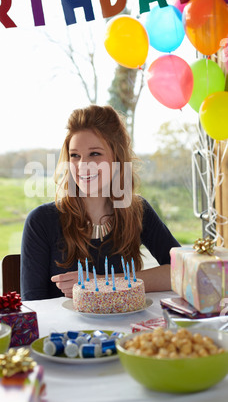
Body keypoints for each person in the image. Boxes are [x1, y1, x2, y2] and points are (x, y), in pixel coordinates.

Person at [21, 105, 180, 300]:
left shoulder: (138, 211)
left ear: (117, 158)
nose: (82, 165)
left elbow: (181, 271)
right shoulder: (41, 221)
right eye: (75, 156)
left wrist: (104, 283)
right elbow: (33, 307)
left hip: (125, 328)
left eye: (95, 154)